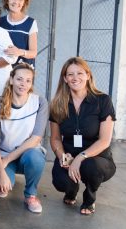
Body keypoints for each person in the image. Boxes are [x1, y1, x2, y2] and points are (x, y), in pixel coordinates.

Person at [49, 57, 116, 215]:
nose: (75, 77)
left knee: (90, 167)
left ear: (88, 75)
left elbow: (105, 140)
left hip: (97, 158)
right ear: (65, 79)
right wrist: (62, 156)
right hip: (69, 155)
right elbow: (55, 138)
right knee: (61, 182)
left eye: (80, 73)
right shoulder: (58, 103)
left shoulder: (103, 100)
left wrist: (80, 158)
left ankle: (89, 199)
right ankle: (71, 190)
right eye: (70, 74)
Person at [0, 63, 48, 214]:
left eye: (28, 81)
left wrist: (7, 160)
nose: (23, 84)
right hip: (3, 154)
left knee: (35, 158)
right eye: (19, 79)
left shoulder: (39, 102)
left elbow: (35, 139)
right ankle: (7, 176)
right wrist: (1, 171)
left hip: (27, 154)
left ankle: (30, 195)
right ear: (11, 80)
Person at [0, 0, 37, 66]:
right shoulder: (0, 22)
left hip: (23, 69)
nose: (16, 2)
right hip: (4, 68)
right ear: (7, 0)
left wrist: (19, 52)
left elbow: (33, 53)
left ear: (24, 3)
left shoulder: (30, 22)